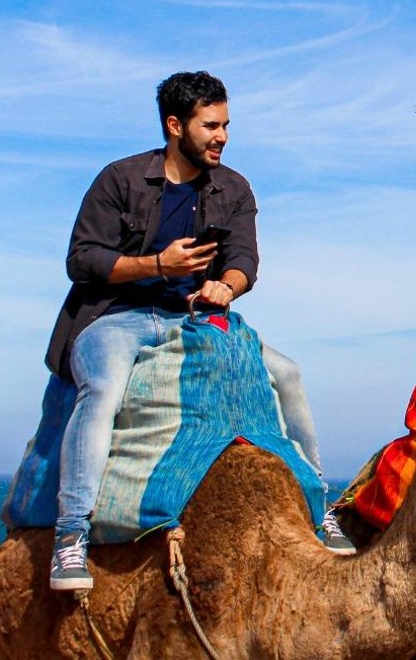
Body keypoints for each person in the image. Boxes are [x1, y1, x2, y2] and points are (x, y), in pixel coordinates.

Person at [46, 71, 353, 592]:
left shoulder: (233, 188)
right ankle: (70, 533)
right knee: (102, 389)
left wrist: (226, 289)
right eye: (211, 125)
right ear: (174, 125)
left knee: (288, 374)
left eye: (227, 124)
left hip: (194, 319)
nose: (223, 136)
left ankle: (320, 509)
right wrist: (157, 266)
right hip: (114, 316)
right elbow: (82, 260)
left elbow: (244, 260)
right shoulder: (119, 179)